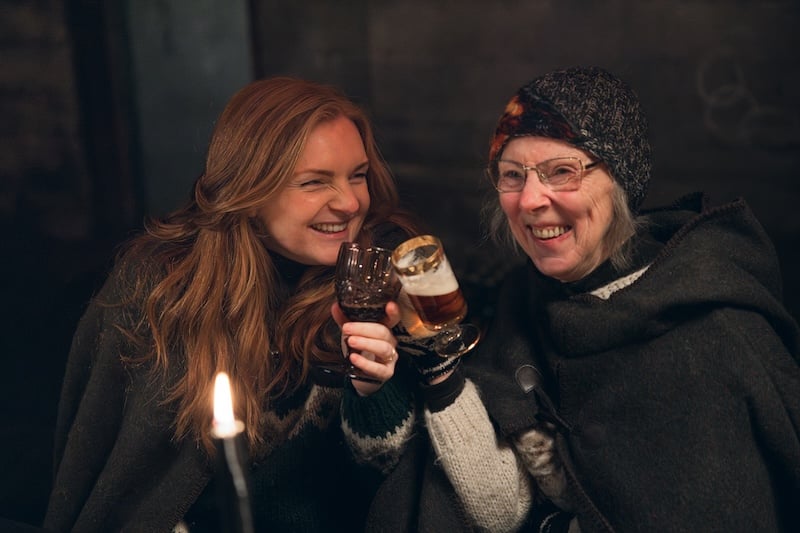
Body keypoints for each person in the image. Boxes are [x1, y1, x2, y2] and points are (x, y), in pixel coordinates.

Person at [357, 66, 800, 533]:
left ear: (620, 181)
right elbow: (502, 508)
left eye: (562, 172)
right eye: (512, 175)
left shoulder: (706, 335)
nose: (529, 200)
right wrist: (436, 358)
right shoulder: (523, 300)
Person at [43, 76, 422, 532]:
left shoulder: (383, 276)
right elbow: (113, 479)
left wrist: (374, 391)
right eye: (313, 182)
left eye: (357, 175)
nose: (349, 203)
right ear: (251, 188)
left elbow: (399, 494)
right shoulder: (162, 285)